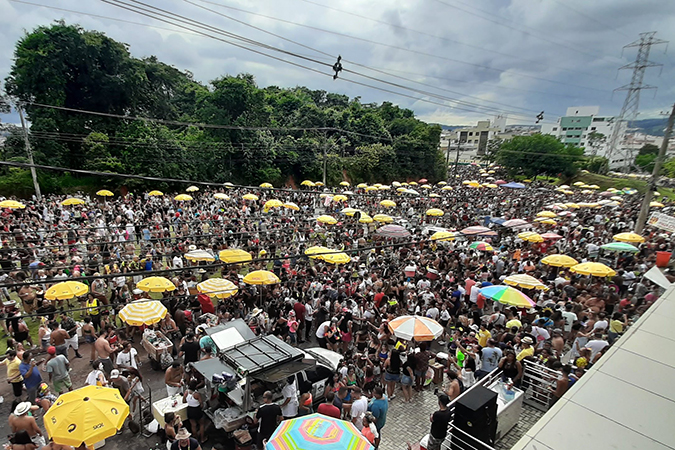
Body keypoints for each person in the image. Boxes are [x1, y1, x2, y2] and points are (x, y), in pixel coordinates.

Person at [183, 380, 205, 444]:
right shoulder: (197, 394)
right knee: (201, 424)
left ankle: (195, 438)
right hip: (197, 410)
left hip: (190, 410)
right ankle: (202, 438)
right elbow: (201, 403)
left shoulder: (186, 392)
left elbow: (183, 401)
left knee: (193, 425)